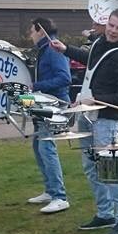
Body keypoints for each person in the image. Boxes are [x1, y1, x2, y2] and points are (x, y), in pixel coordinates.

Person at [50, 8, 118, 234]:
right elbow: (91, 59)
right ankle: (105, 213)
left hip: (107, 120)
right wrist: (66, 50)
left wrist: (98, 100)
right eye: (111, 25)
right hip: (86, 113)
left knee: (110, 169)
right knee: (91, 167)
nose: (112, 30)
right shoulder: (101, 43)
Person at [25, 17, 72, 214]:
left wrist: (35, 87)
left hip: (54, 106)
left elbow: (64, 78)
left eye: (32, 30)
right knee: (38, 146)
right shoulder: (45, 49)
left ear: (40, 30)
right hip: (43, 104)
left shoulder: (52, 49)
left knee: (46, 147)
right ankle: (50, 190)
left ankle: (60, 197)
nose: (30, 34)